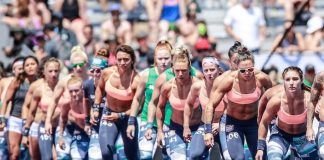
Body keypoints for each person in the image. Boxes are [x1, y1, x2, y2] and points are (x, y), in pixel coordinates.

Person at [204, 47, 272, 160]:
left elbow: (273, 97)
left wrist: (271, 120)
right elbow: (210, 105)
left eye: (250, 69)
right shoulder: (229, 80)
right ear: (237, 68)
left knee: (261, 157)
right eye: (243, 70)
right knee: (238, 157)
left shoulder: (262, 78)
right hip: (233, 122)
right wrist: (208, 131)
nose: (247, 73)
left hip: (253, 122)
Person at [256, 66, 318, 159]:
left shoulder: (309, 100)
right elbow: (264, 122)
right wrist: (260, 148)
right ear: (283, 81)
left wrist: (311, 129)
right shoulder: (276, 99)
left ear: (301, 81)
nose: (291, 83)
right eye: (287, 80)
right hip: (280, 136)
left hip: (302, 137)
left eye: (295, 79)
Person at [126, 40, 172, 159]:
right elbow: (137, 99)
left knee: (166, 157)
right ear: (155, 59)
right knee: (145, 156)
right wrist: (131, 121)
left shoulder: (178, 75)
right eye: (160, 58)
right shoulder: (146, 75)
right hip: (147, 120)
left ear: (172, 58)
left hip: (169, 122)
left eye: (166, 58)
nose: (163, 62)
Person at [93, 44, 140, 159]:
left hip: (127, 117)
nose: (122, 62)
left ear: (132, 60)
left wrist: (120, 115)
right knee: (106, 152)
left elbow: (138, 106)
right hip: (109, 115)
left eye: (126, 59)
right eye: (119, 59)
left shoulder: (137, 80)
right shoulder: (107, 73)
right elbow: (99, 88)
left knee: (131, 155)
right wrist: (95, 108)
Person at [44, 46, 90, 158]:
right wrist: (48, 121)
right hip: (67, 125)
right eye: (75, 65)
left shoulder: (92, 80)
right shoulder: (65, 81)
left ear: (86, 63)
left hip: (86, 126)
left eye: (81, 64)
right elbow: (54, 101)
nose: (78, 68)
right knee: (62, 157)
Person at [155, 46, 200, 159]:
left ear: (189, 68)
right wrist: (160, 131)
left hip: (197, 127)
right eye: (177, 70)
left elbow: (209, 106)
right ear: (172, 68)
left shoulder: (198, 84)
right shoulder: (167, 87)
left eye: (184, 70)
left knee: (194, 157)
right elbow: (160, 107)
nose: (180, 74)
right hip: (175, 128)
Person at [184, 56, 225, 159]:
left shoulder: (227, 85)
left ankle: (217, 150)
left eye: (212, 69)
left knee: (231, 156)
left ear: (218, 70)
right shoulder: (198, 87)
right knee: (194, 155)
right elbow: (188, 104)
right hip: (205, 125)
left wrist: (220, 124)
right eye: (206, 70)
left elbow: (233, 108)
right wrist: (186, 127)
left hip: (225, 125)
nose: (209, 73)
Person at [0, 56, 39, 160]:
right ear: (24, 68)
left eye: (32, 64)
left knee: (32, 153)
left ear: (37, 66)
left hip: (32, 121)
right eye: (27, 65)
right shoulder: (18, 81)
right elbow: (6, 101)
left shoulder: (40, 83)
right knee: (14, 153)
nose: (30, 67)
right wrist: (2, 118)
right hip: (15, 119)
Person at [22, 58, 61, 160]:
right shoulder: (39, 89)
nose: (53, 74)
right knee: (46, 157)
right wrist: (25, 133)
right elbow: (31, 112)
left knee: (58, 157)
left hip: (60, 128)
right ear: (44, 72)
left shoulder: (64, 88)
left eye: (56, 71)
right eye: (50, 71)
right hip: (44, 127)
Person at [56, 76, 90, 159]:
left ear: (82, 89)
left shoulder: (89, 100)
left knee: (95, 156)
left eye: (76, 91)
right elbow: (63, 119)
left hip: (94, 131)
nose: (74, 94)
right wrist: (60, 137)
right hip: (80, 131)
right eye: (71, 91)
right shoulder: (67, 103)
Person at [83, 55, 108, 160]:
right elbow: (87, 104)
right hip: (96, 125)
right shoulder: (87, 85)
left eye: (98, 71)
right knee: (94, 157)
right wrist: (87, 122)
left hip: (110, 123)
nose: (95, 74)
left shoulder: (110, 84)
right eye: (92, 71)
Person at [306, 70, 324, 158]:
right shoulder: (321, 77)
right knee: (323, 152)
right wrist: (309, 128)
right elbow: (312, 102)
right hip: (323, 126)